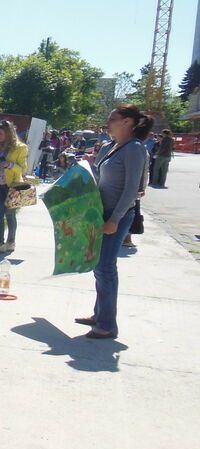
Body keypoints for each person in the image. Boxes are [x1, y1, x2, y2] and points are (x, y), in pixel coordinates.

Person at [76, 105, 152, 339]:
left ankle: (107, 324)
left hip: (116, 215)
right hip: (102, 212)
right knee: (100, 266)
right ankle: (100, 314)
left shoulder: (134, 149)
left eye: (113, 119)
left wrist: (114, 220)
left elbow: (131, 189)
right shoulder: (112, 147)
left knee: (105, 267)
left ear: (128, 122)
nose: (108, 122)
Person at [0, 121, 29, 254]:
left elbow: (23, 169)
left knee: (10, 214)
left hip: (12, 186)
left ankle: (11, 242)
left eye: (0, 133)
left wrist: (9, 165)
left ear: (8, 133)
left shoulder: (20, 148)